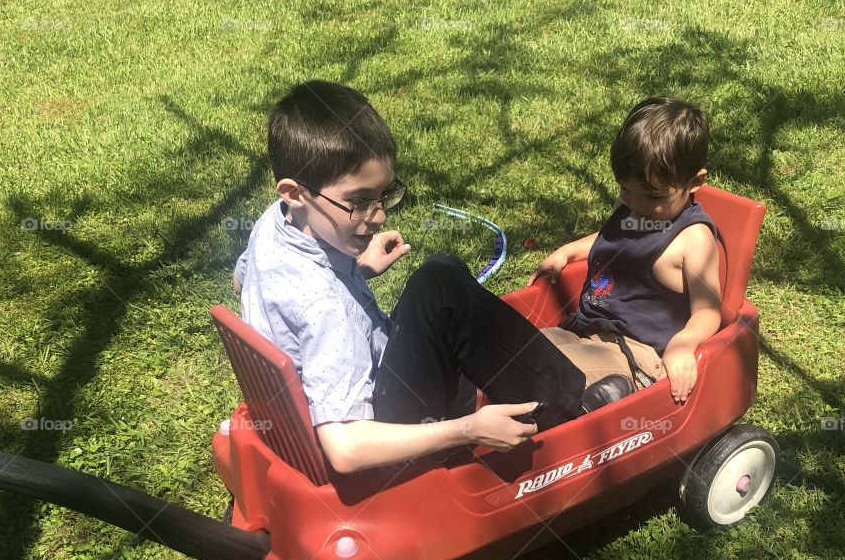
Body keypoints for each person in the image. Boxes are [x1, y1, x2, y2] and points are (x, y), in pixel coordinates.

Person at [230, 80, 613, 476]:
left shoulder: (273, 224)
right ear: (295, 193)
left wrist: (357, 272)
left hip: (340, 399)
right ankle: (567, 409)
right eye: (359, 201)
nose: (378, 216)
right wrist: (467, 430)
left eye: (383, 195)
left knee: (441, 275)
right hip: (379, 453)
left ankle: (547, 392)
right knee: (442, 292)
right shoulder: (322, 307)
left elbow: (243, 283)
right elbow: (345, 450)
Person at [527, 96, 723, 408]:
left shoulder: (693, 240)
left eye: (652, 195)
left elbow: (709, 310)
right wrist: (569, 251)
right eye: (624, 189)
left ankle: (607, 398)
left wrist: (684, 344)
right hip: (587, 330)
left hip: (636, 355)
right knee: (523, 349)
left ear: (695, 181)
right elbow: (613, 238)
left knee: (546, 369)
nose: (633, 203)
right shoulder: (634, 205)